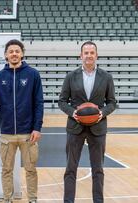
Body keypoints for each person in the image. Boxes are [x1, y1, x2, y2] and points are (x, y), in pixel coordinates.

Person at [0, 39, 44, 203]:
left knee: (31, 170)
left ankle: (32, 199)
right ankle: (7, 199)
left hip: (28, 133)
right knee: (6, 170)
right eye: (11, 51)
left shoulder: (33, 74)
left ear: (22, 54)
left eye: (17, 51)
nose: (14, 54)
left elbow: (38, 103)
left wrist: (37, 127)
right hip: (7, 134)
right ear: (6, 55)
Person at [58, 41, 116, 203]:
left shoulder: (106, 77)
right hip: (75, 127)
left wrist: (102, 113)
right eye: (86, 53)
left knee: (98, 169)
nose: (89, 55)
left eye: (92, 53)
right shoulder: (71, 76)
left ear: (96, 55)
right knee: (70, 169)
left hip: (98, 128)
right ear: (81, 55)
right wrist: (73, 113)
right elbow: (62, 101)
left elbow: (112, 102)